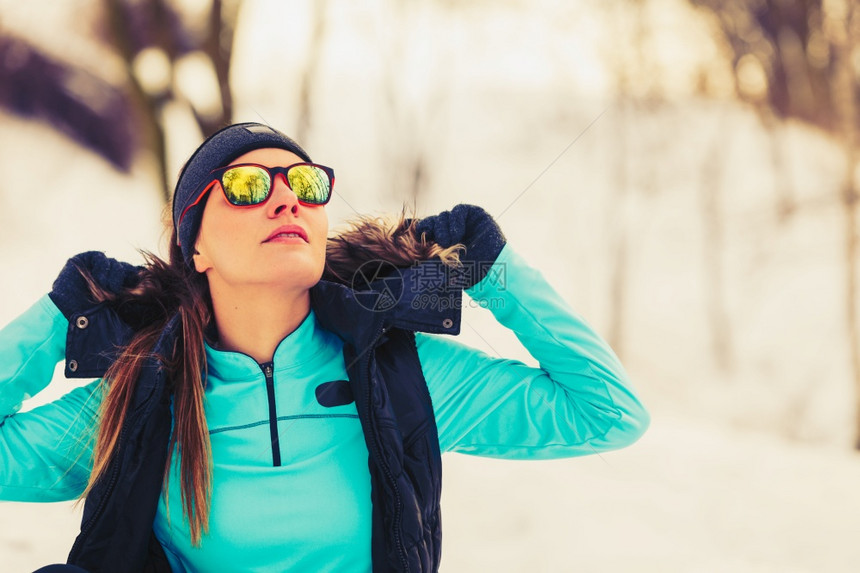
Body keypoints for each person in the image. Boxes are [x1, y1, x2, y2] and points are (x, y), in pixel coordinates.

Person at [0, 122, 650, 572]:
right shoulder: (143, 397)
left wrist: (493, 270)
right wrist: (60, 317)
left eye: (306, 184)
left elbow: (609, 411)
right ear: (195, 246)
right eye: (250, 186)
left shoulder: (398, 376)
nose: (286, 197)